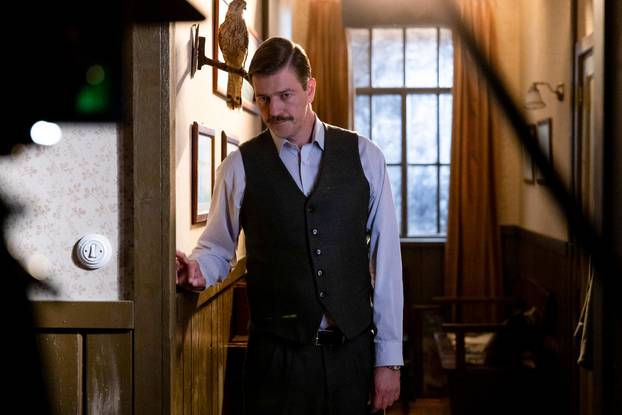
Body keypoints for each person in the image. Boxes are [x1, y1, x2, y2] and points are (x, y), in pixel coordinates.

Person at [176, 36, 403, 414]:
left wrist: (389, 360)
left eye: (285, 95)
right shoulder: (238, 166)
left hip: (352, 358)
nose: (274, 110)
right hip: (274, 364)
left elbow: (387, 262)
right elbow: (217, 247)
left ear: (310, 89)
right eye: (264, 98)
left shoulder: (366, 157)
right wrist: (198, 271)